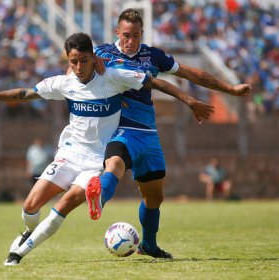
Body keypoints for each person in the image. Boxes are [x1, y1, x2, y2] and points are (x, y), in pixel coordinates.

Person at [0, 32, 213, 266]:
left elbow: (155, 83)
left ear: (94, 58)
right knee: (30, 206)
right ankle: (30, 230)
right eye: (74, 62)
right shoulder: (63, 83)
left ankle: (17, 254)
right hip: (69, 155)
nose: (80, 67)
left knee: (65, 203)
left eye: (84, 60)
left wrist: (191, 102)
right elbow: (24, 93)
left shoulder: (113, 76)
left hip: (96, 161)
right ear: (68, 61)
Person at [85, 8, 252, 259]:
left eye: (137, 35)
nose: (131, 41)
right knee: (114, 167)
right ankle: (98, 199)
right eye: (126, 35)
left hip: (148, 134)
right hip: (119, 130)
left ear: (142, 34)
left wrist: (229, 88)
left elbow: (189, 73)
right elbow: (74, 76)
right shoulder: (100, 54)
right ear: (117, 32)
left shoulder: (153, 55)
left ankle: (148, 245)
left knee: (155, 198)